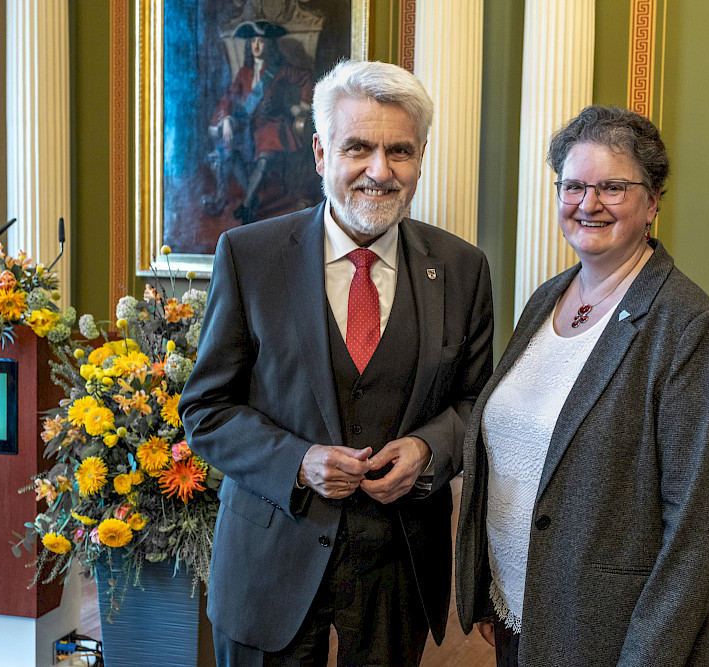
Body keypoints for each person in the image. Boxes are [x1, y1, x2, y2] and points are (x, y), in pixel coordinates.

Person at [179, 59, 494, 665]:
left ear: (421, 159)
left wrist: (427, 450)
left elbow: (477, 403)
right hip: (268, 565)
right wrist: (297, 463)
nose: (380, 171)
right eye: (358, 148)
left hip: (397, 571)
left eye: (399, 151)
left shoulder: (462, 269)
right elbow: (207, 409)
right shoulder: (250, 256)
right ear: (322, 154)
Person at [454, 105, 709, 666]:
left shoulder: (689, 328)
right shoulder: (547, 299)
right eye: (574, 186)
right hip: (523, 613)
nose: (588, 204)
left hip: (613, 636)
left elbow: (698, 531)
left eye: (612, 187)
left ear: (653, 201)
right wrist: (496, 591)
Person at [202, 20, 315, 224]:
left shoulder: (280, 69)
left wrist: (303, 106)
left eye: (261, 41)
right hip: (248, 125)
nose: (256, 45)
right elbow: (229, 97)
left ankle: (246, 206)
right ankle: (250, 196)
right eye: (253, 41)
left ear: (269, 45)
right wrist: (226, 118)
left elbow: (306, 78)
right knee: (229, 152)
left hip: (272, 124)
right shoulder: (244, 73)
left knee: (263, 160)